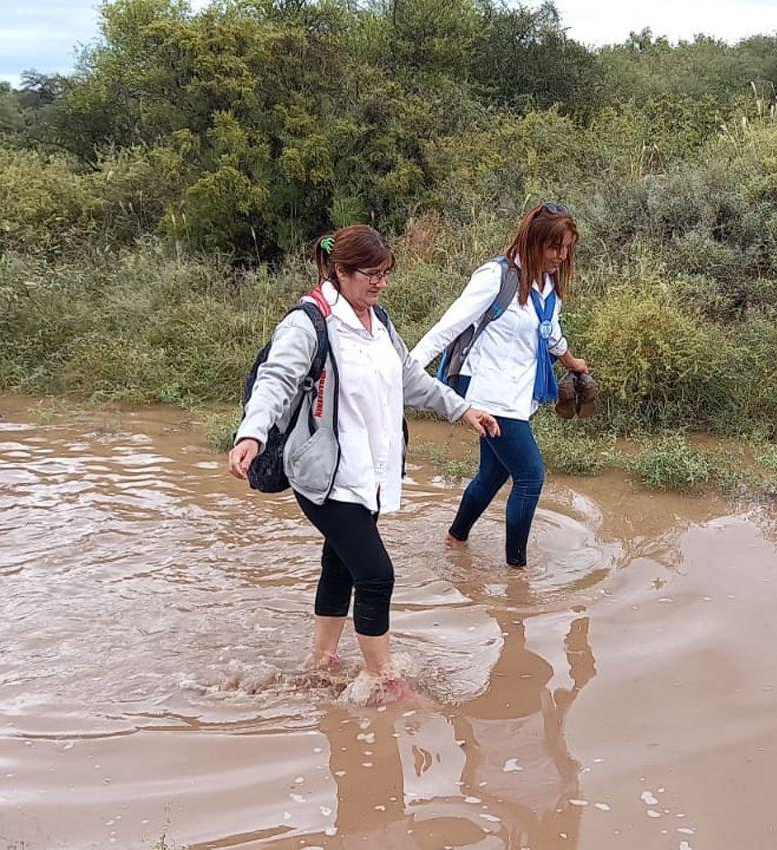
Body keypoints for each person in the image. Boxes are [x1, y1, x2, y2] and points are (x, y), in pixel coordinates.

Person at [228, 225, 498, 698]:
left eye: (385, 274)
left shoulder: (379, 322)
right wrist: (251, 432)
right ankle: (382, 678)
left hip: (369, 474)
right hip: (325, 476)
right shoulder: (310, 322)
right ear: (341, 271)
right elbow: (276, 381)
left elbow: (410, 378)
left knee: (341, 564)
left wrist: (462, 409)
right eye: (370, 275)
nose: (379, 283)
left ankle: (320, 660)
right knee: (376, 574)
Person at [411, 204, 591, 568]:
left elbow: (548, 332)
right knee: (530, 475)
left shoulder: (548, 284)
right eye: (554, 247)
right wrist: (406, 370)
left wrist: (572, 362)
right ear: (534, 241)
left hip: (518, 395)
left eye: (567, 247)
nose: (561, 256)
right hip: (489, 395)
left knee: (493, 473)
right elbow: (447, 327)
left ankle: (455, 538)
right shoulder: (496, 277)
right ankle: (517, 572)